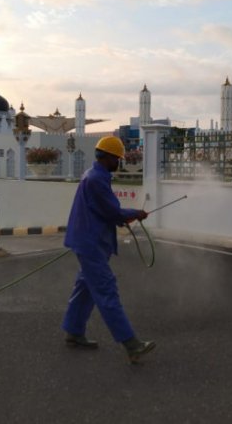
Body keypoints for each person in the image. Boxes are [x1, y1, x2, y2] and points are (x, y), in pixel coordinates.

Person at [61, 136, 155, 363]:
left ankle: (73, 332)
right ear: (109, 157)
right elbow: (113, 211)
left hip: (87, 240)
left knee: (85, 288)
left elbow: (103, 211)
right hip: (91, 243)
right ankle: (131, 344)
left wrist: (125, 216)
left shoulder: (93, 175)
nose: (119, 163)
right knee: (106, 289)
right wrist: (135, 213)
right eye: (118, 159)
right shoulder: (96, 180)